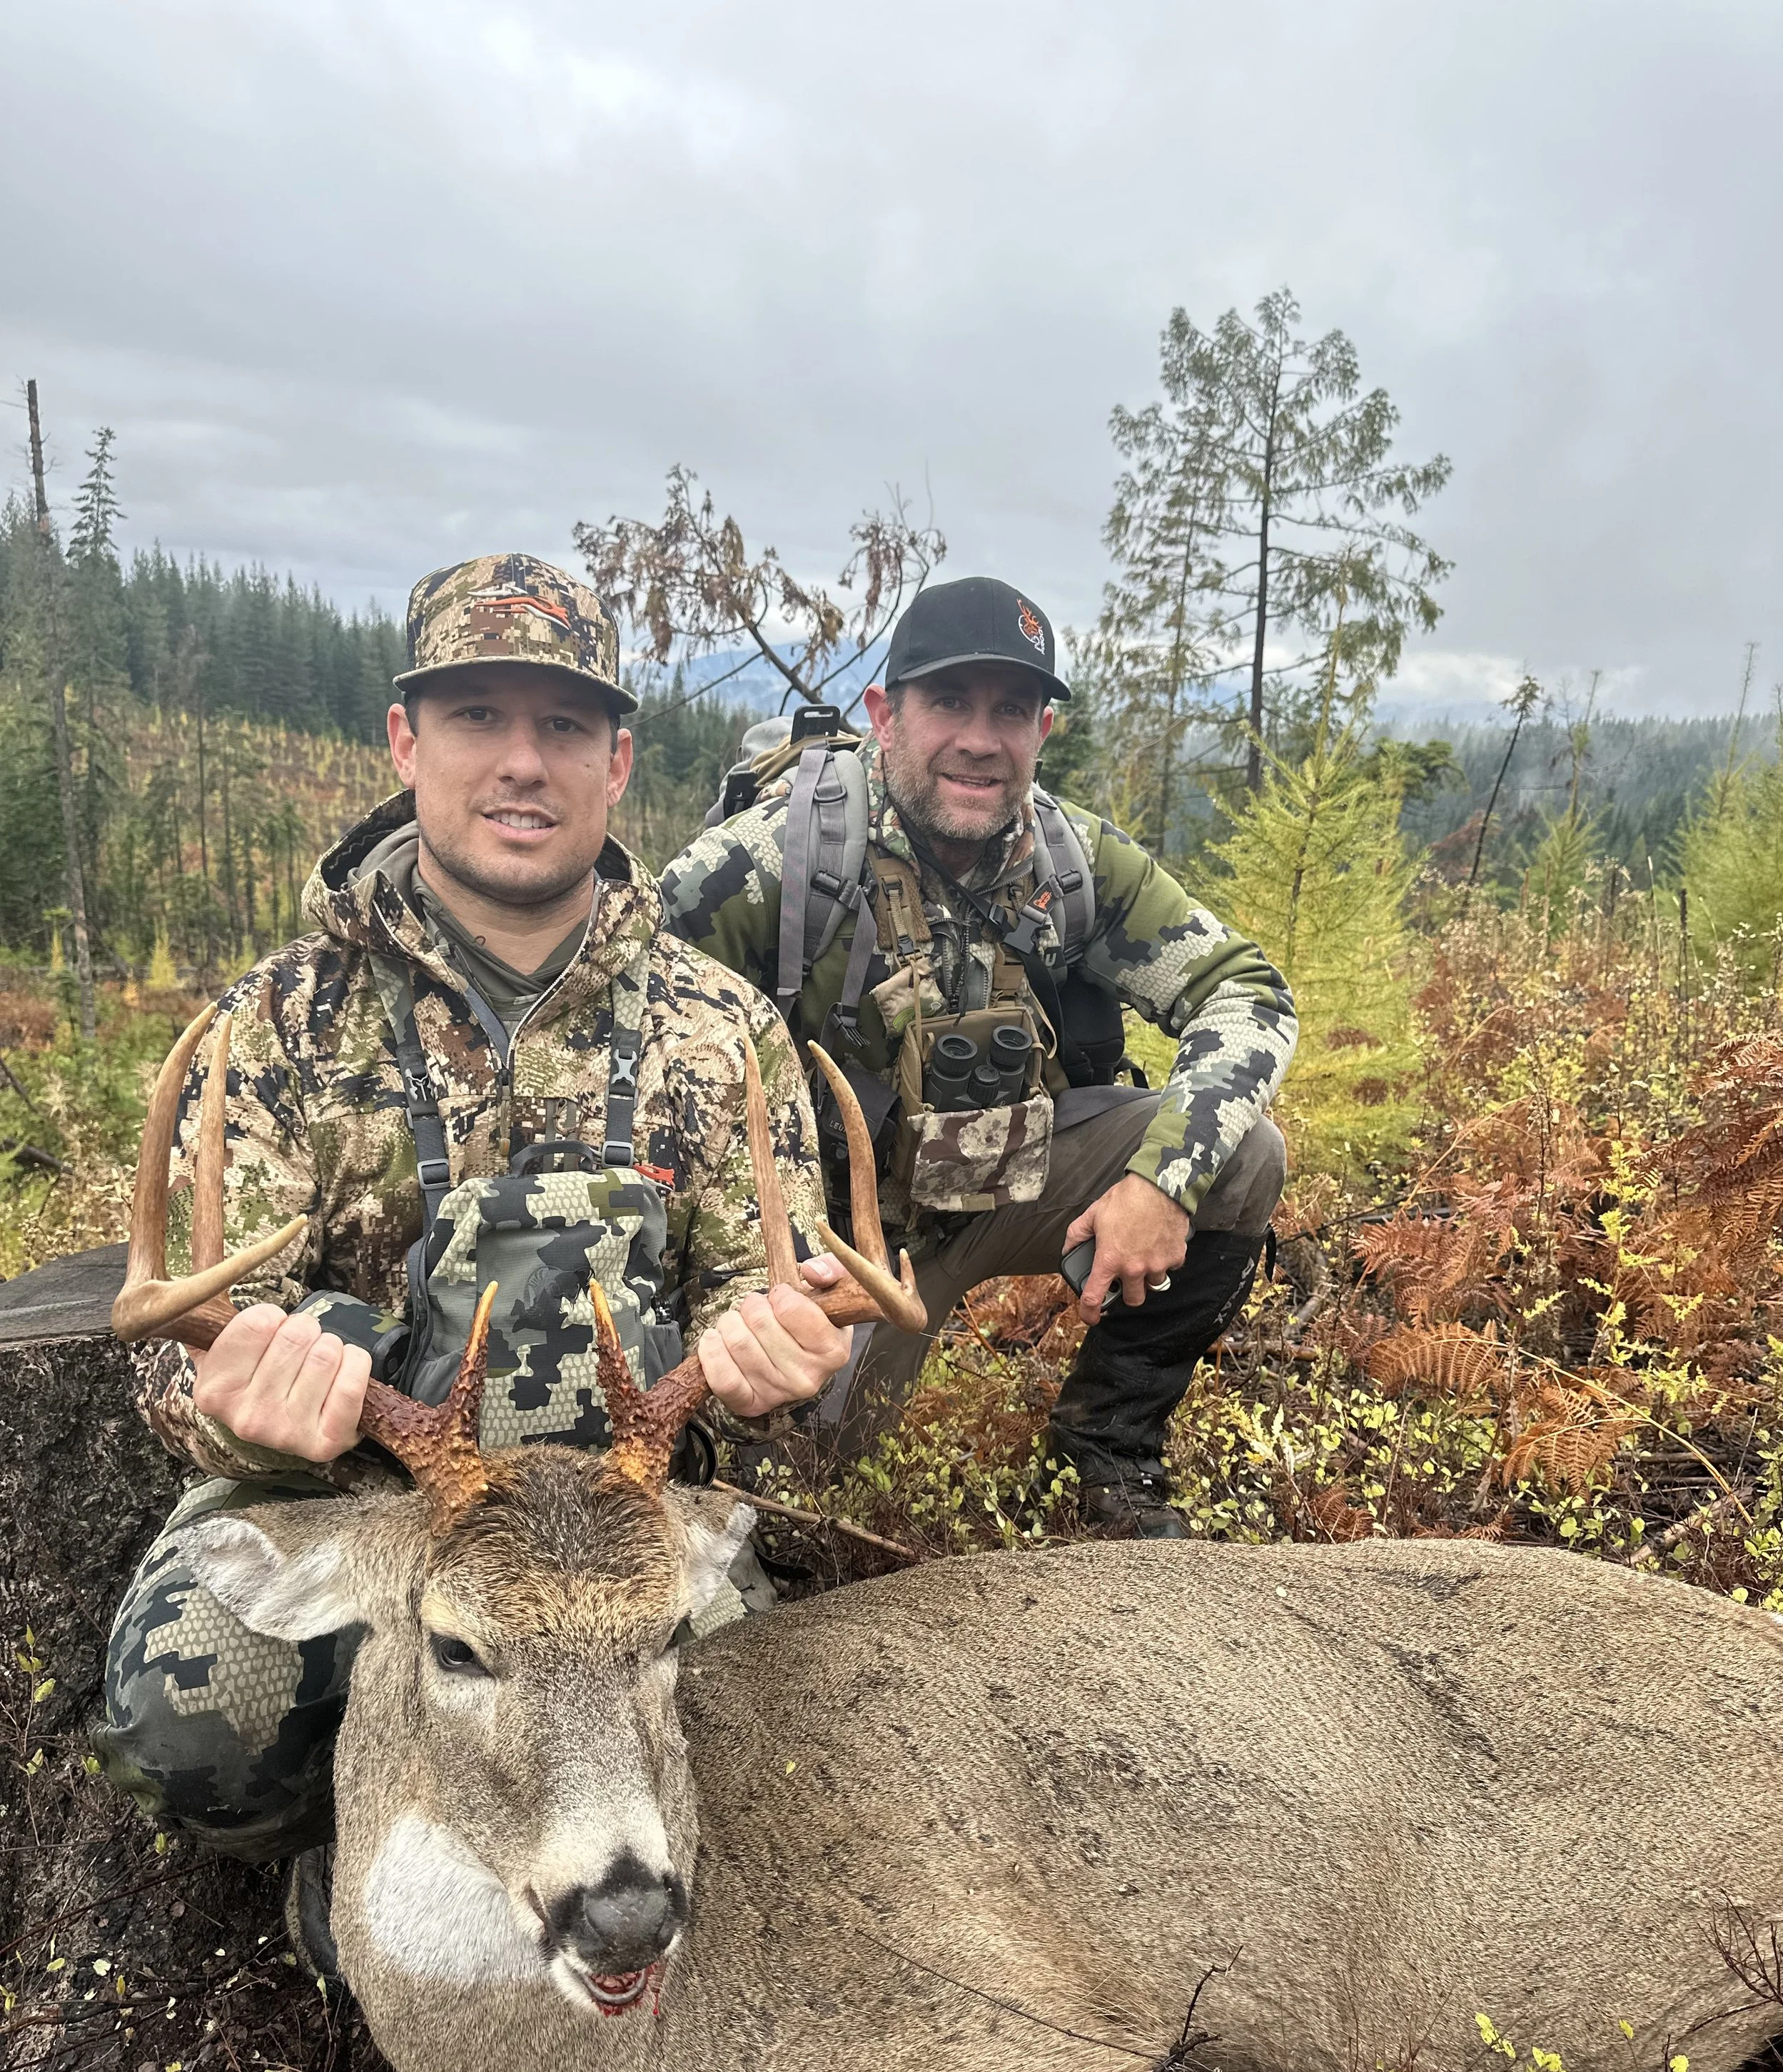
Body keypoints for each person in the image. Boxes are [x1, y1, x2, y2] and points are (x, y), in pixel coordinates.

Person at [93, 553, 853, 1953]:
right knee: (194, 1718)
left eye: (563, 726)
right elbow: (174, 1350)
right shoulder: (279, 1026)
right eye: (475, 718)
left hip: (625, 1528)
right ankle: (355, 1842)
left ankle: (590, 1852)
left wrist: (787, 1353)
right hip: (383, 1515)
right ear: (404, 740)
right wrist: (229, 1403)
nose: (522, 762)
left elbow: (780, 1293)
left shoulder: (719, 1030)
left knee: (783, 1741)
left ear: (618, 760)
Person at [658, 575, 1296, 1536]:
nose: (980, 738)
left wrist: (1164, 1180)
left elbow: (1248, 993)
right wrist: (750, 1260)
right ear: (886, 713)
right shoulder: (770, 867)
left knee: (1244, 1160)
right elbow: (626, 1047)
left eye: (1012, 709)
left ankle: (1104, 1458)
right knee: (796, 1505)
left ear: (1045, 730)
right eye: (948, 701)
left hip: (1010, 1185)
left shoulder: (1075, 864)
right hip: (841, 1251)